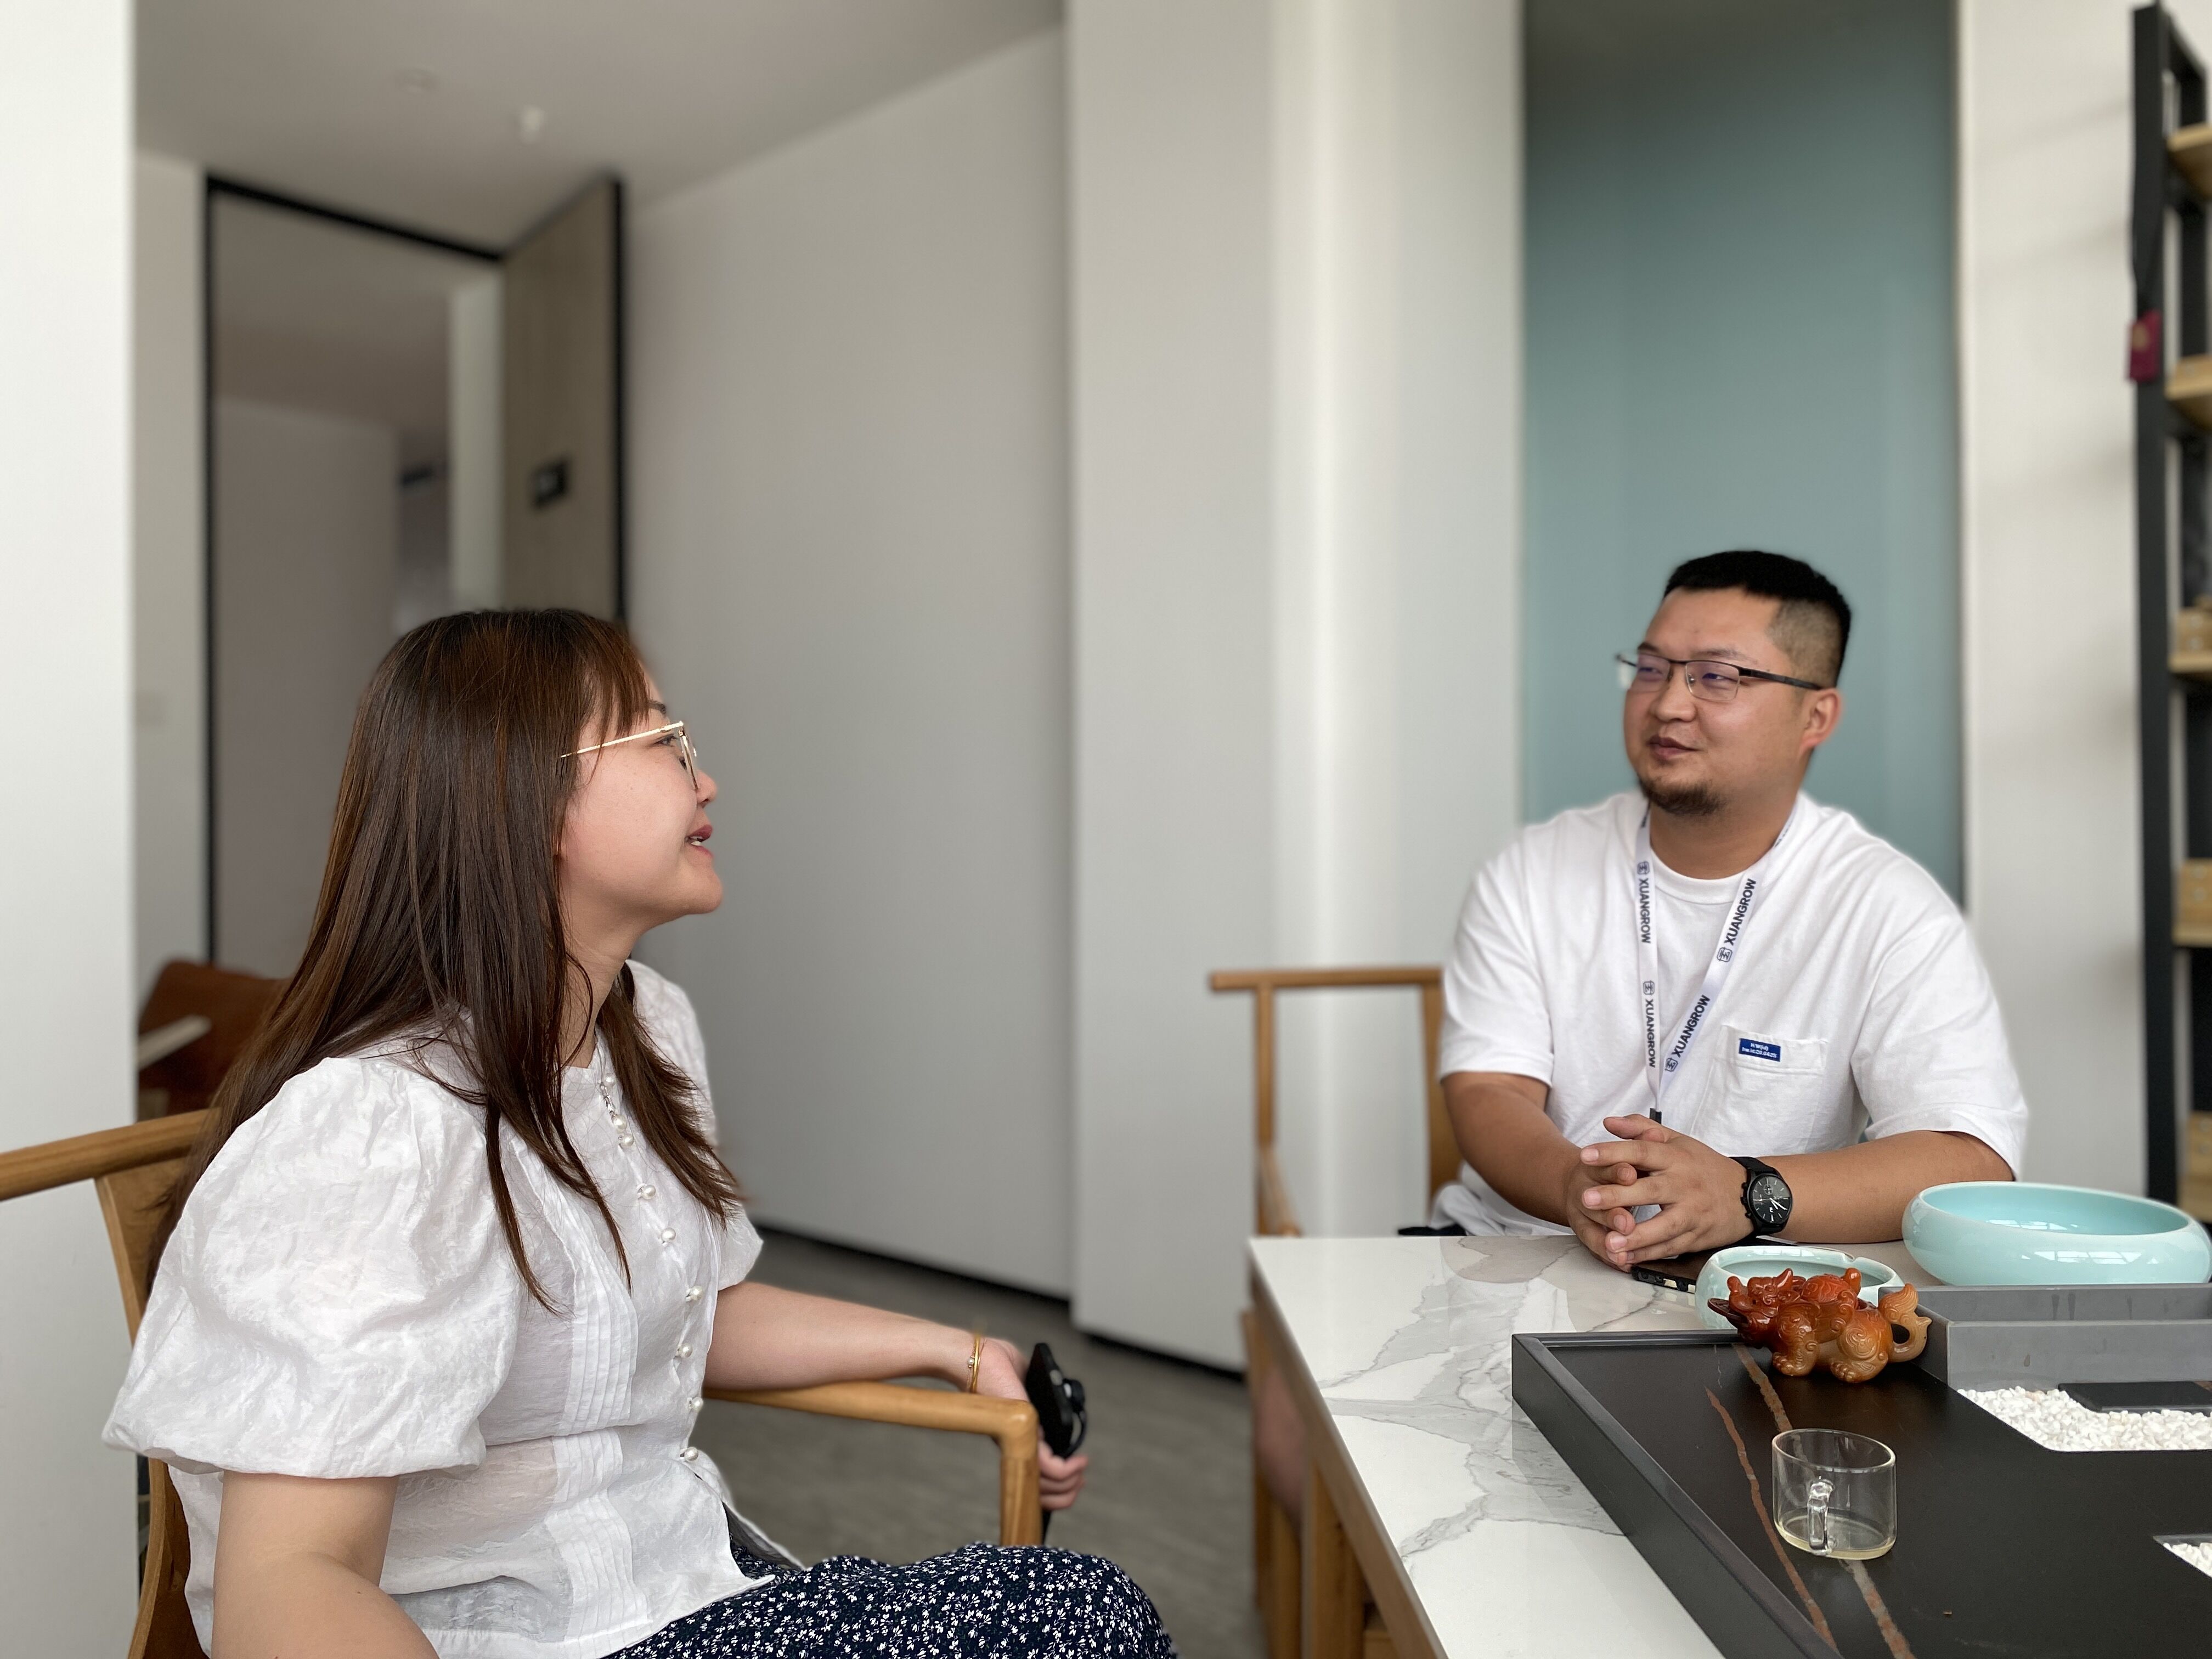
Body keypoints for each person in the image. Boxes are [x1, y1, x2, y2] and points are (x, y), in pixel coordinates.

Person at [105, 611, 1174, 1659]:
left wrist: (953, 1350)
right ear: (522, 798)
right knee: (1077, 1616)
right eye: (662, 740)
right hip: (524, 1633)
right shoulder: (371, 1134)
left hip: (684, 1583)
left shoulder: (645, 1027)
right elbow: (289, 1590)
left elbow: (688, 1309)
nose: (706, 780)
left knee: (1077, 1611)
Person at [1254, 549, 2025, 1522]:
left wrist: (1747, 1192)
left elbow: (1970, 1156)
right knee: (1295, 1418)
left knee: (1734, 1517)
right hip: (1516, 1253)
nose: (1668, 703)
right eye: (1651, 667)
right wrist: (1573, 1187)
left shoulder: (1885, 908)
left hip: (1750, 1304)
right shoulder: (1534, 872)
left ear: (1815, 716)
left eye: (1719, 677)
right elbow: (1488, 1091)